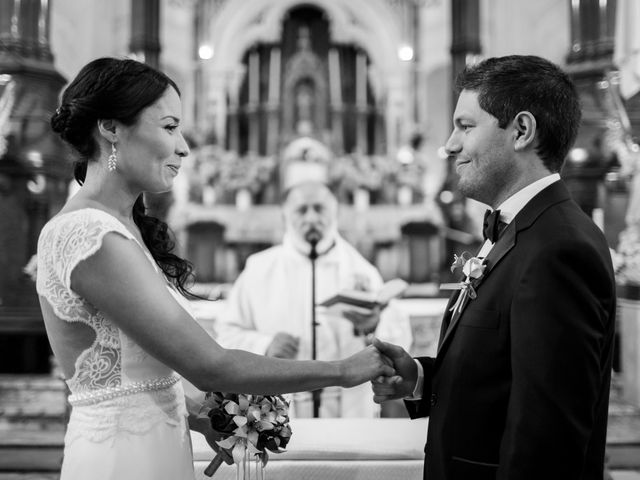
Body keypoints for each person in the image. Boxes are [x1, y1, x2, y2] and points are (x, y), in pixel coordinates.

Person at [36, 57, 393, 480]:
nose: (184, 146)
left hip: (152, 445)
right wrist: (341, 371)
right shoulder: (89, 233)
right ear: (110, 128)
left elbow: (132, 371)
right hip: (121, 458)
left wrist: (201, 412)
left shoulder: (118, 227)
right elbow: (209, 364)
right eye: (169, 127)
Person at [372, 55, 616, 480]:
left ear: (521, 130)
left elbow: (547, 440)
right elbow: (504, 378)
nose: (449, 145)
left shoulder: (558, 249)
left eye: (465, 126)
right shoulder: (518, 228)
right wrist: (420, 377)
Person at [216, 180, 412, 417]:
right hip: (278, 408)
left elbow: (396, 340)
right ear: (284, 216)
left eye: (319, 209)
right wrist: (264, 345)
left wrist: (372, 328)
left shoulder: (362, 271)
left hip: (348, 409)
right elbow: (225, 335)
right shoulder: (258, 269)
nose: (311, 218)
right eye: (301, 210)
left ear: (335, 214)